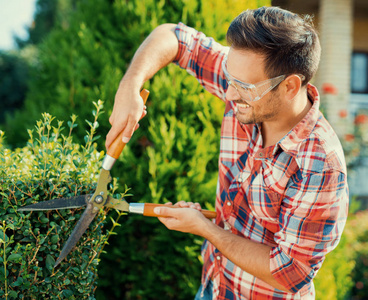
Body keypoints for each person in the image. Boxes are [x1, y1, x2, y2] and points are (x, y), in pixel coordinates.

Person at [106, 6, 349, 300]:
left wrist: (208, 231)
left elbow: (289, 273)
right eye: (228, 79)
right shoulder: (248, 78)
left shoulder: (320, 165)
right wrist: (130, 85)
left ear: (289, 86)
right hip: (214, 285)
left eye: (242, 87)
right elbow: (175, 36)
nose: (230, 94)